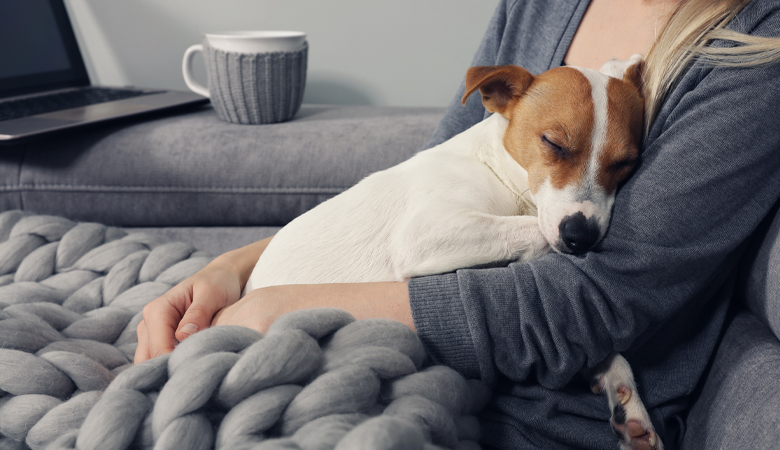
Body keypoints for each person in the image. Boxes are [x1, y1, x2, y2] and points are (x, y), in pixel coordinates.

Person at [135, 0, 780, 448]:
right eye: (556, 147)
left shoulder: (754, 46)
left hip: (532, 414)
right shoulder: (545, 7)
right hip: (361, 349)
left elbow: (590, 303)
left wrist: (288, 307)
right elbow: (424, 182)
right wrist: (237, 269)